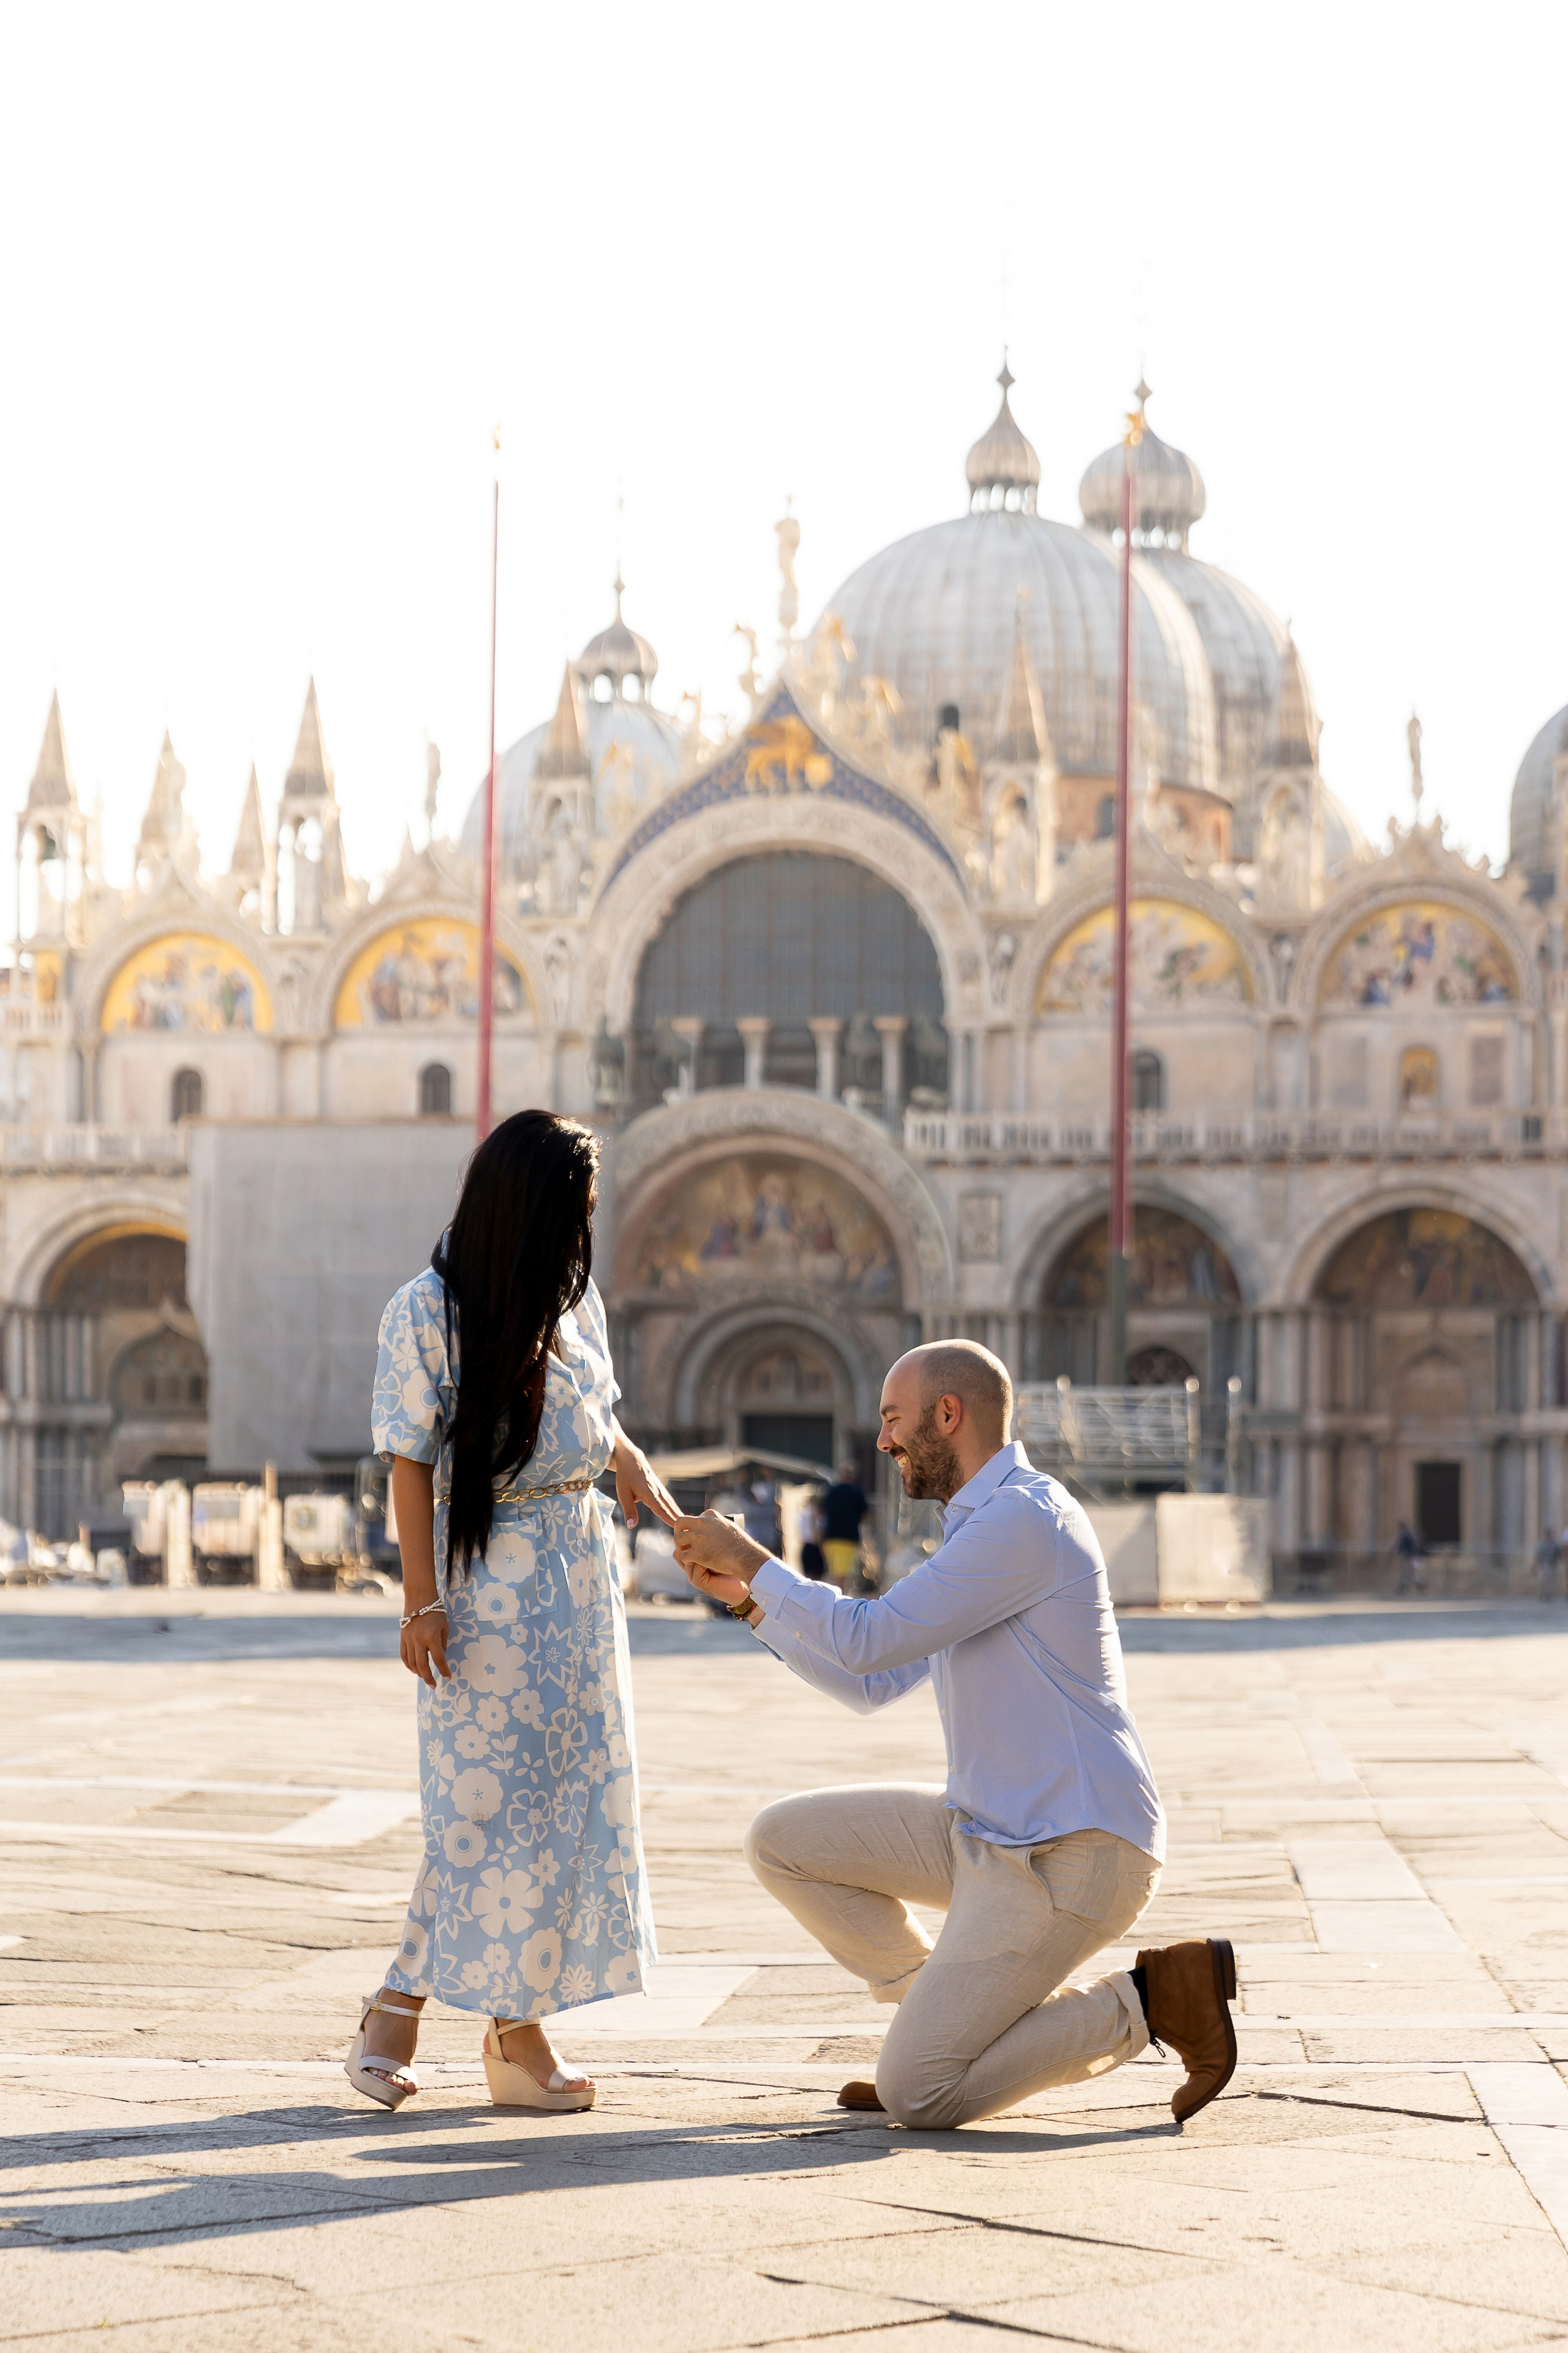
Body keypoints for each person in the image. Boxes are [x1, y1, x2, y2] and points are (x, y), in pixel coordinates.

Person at [673, 1340, 1237, 2132]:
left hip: (1073, 1849)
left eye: (892, 1419)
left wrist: (756, 1558)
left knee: (921, 2094)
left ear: (949, 1415)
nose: (882, 1441)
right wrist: (748, 1598)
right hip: (988, 1830)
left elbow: (868, 1638)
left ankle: (1152, 2000)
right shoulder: (977, 1528)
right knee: (782, 1841)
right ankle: (935, 2024)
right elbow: (870, 1679)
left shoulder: (1024, 1521)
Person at [345, 1109, 679, 2114]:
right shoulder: (427, 1310)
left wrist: (640, 1481)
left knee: (565, 1814)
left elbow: (601, 1421)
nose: (584, 1224)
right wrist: (420, 1603)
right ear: (526, 1206)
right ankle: (400, 2008)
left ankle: (511, 2034)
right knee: (480, 1812)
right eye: (574, 1206)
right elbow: (408, 1458)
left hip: (581, 1591)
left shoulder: (575, 1310)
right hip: (483, 1591)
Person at [821, 1460, 871, 1591]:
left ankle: (834, 1602)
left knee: (834, 1574)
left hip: (831, 1538)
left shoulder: (832, 1492)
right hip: (848, 1538)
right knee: (842, 1576)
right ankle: (839, 1604)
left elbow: (822, 1512)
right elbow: (866, 1515)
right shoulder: (857, 1493)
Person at [1394, 1519, 1427, 1595]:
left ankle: (1407, 1588)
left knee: (1407, 1573)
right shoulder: (1405, 1535)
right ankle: (1416, 1587)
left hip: (1407, 1557)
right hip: (1407, 1556)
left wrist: (1408, 1553)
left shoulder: (1406, 1535)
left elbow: (1410, 1546)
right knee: (1409, 1573)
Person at [1536, 1527, 1561, 1603]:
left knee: (1551, 1581)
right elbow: (1538, 1555)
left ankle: (1549, 1594)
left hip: (1552, 1564)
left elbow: (1558, 1554)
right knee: (1543, 1580)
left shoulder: (1555, 1545)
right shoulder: (1542, 1545)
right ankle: (1543, 1592)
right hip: (1543, 1564)